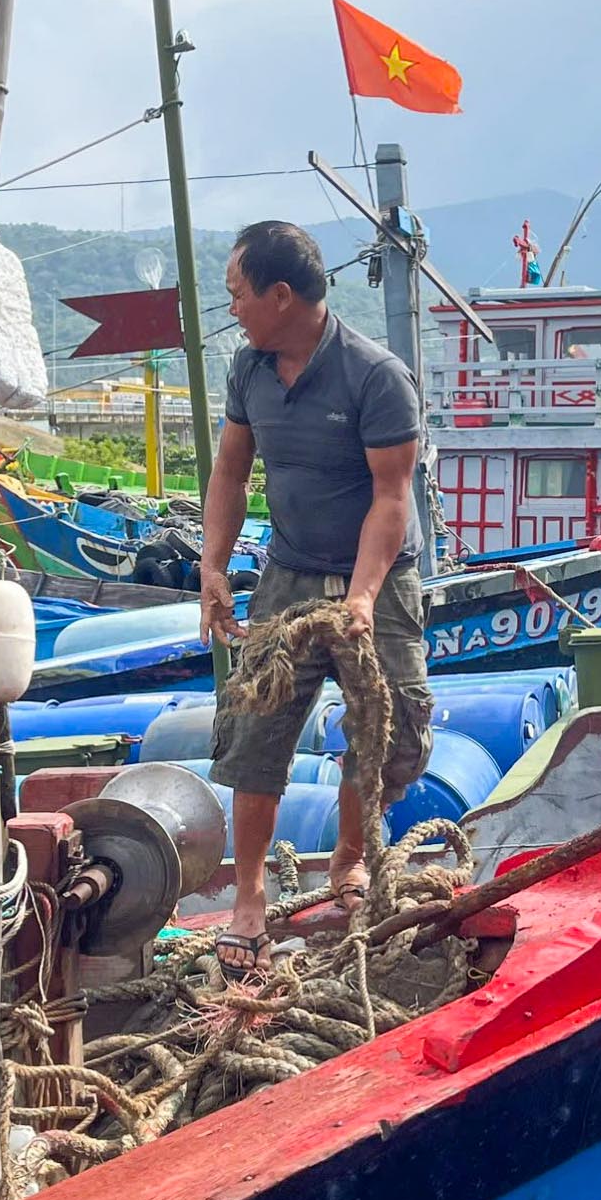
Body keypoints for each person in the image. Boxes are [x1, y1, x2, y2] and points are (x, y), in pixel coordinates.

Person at [201, 219, 434, 971]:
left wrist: (362, 598)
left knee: (392, 730)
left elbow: (390, 498)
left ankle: (350, 859)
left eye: (238, 294)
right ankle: (247, 903)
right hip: (288, 574)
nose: (230, 307)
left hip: (381, 578)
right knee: (253, 730)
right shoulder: (249, 370)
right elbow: (231, 472)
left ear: (279, 296)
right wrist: (212, 567)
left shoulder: (374, 376)